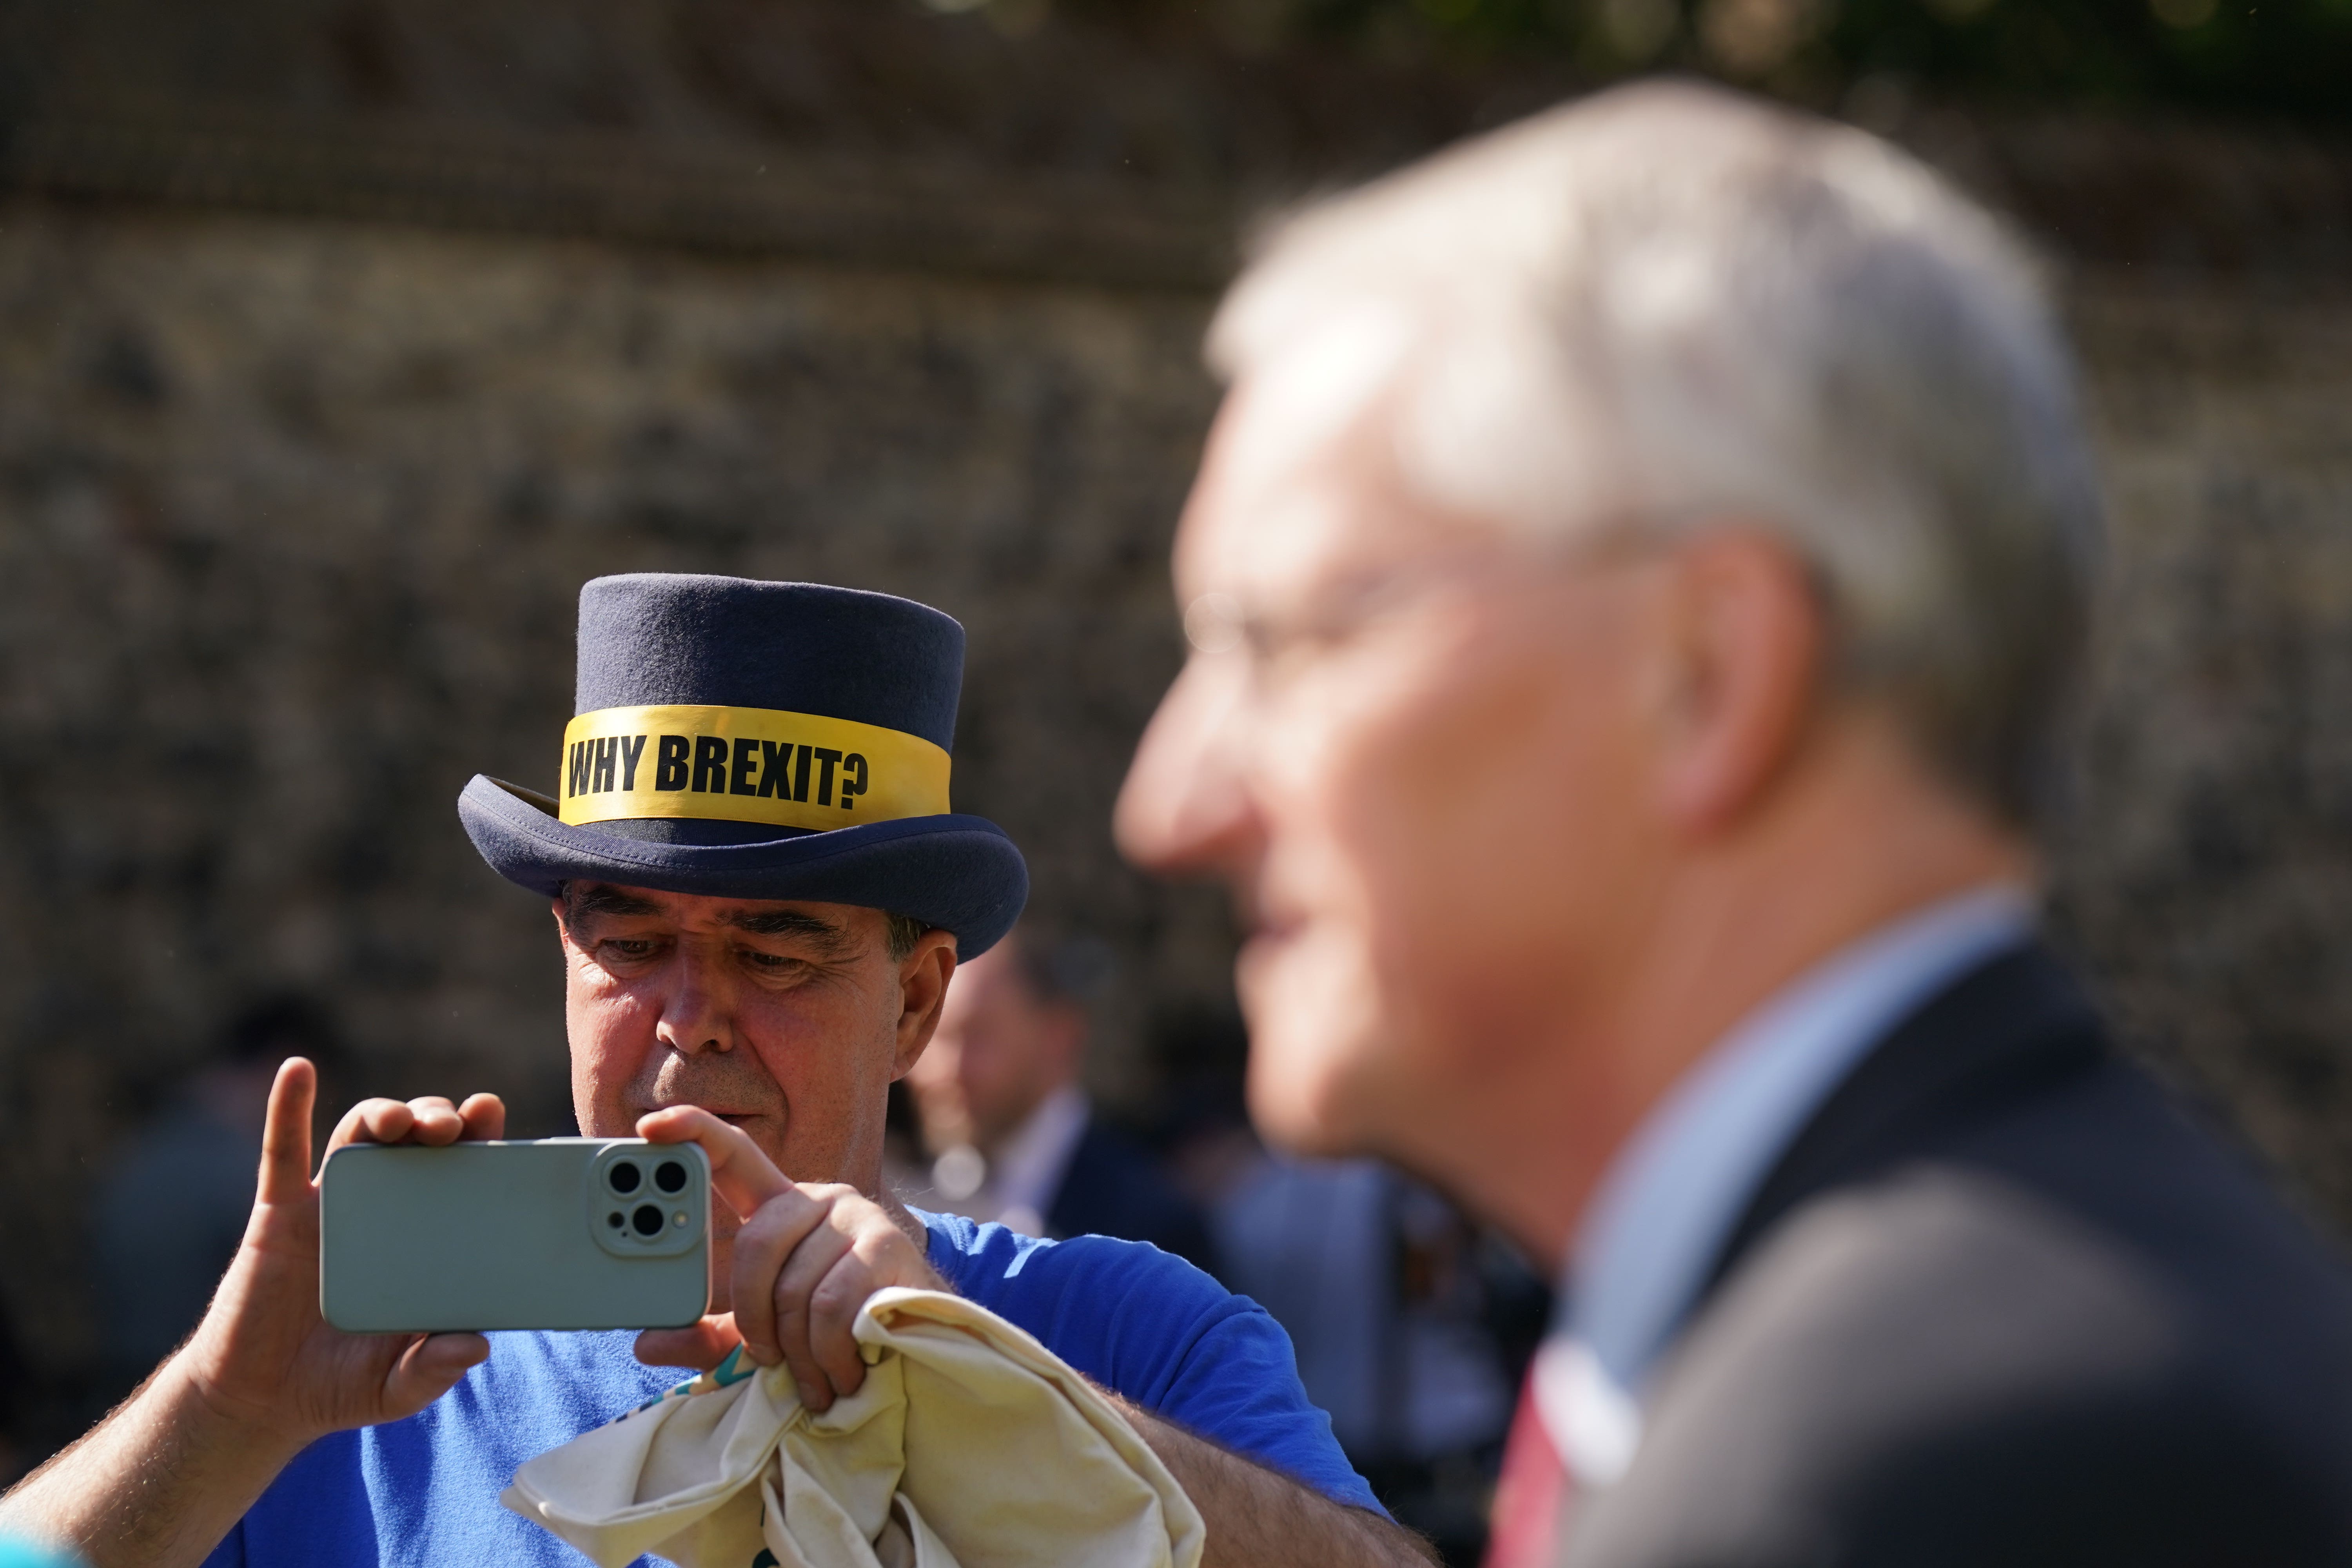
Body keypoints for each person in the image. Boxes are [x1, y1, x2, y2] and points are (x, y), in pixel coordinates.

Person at [1113, 82, 2352, 1568]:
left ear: (1704, 672)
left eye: (1288, 637)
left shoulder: (1922, 1470)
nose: (1170, 806)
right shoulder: (1999, 1328)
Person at [1, 574, 1432, 1568]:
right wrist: (219, 1405)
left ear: (918, 999)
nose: (695, 1016)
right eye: (629, 941)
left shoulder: (1115, 1333)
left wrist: (984, 1379)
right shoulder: (364, 1384)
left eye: (779, 949)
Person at [903, 925, 1219, 1272]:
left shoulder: (1152, 1227)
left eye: (977, 1037)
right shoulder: (908, 1199)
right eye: (929, 1035)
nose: (943, 1070)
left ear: (1059, 1038)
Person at [92, 995, 339, 1393]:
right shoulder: (235, 1170)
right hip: (207, 1392)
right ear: (282, 1069)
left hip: (125, 1388)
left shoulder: (141, 1150)